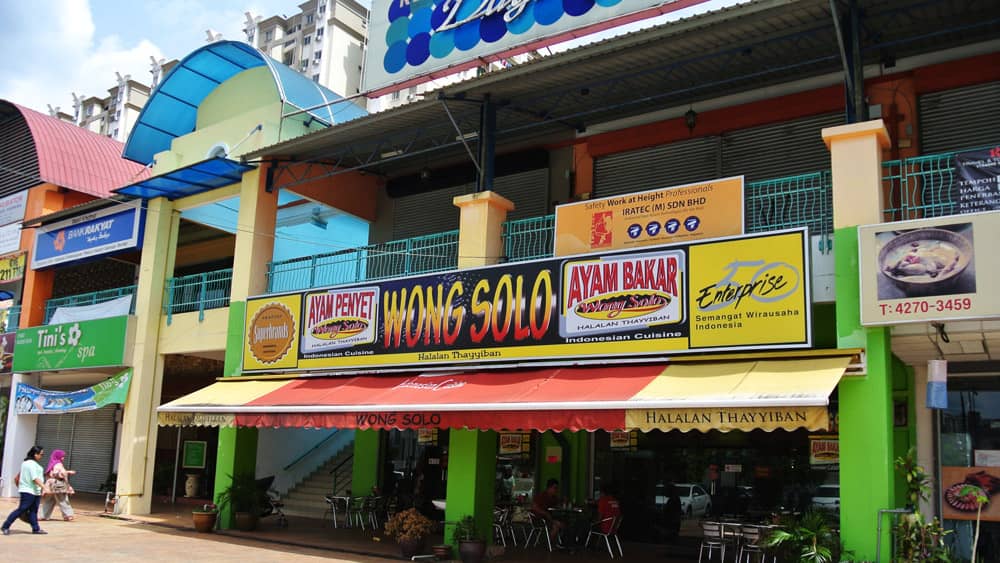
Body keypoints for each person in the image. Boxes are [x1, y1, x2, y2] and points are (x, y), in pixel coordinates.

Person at [2, 445, 50, 535]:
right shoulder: (30, 464)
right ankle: (6, 526)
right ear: (35, 454)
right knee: (21, 509)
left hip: (35, 491)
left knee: (33, 510)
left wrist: (41, 488)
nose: (42, 456)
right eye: (41, 454)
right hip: (28, 491)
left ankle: (36, 528)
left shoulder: (30, 463)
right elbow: (34, 478)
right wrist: (44, 487)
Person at [40, 449, 76, 521]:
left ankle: (43, 515)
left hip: (51, 484)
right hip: (58, 484)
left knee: (49, 500)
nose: (63, 458)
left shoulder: (52, 463)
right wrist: (68, 472)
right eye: (62, 456)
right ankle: (68, 515)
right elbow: (56, 474)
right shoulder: (58, 464)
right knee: (63, 499)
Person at [531, 478, 565, 544]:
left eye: (557, 488)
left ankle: (561, 542)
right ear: (549, 488)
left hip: (549, 518)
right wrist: (545, 513)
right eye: (555, 488)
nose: (556, 490)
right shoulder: (541, 496)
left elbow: (557, 507)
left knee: (563, 523)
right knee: (557, 525)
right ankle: (548, 543)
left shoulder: (554, 498)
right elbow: (534, 507)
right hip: (539, 519)